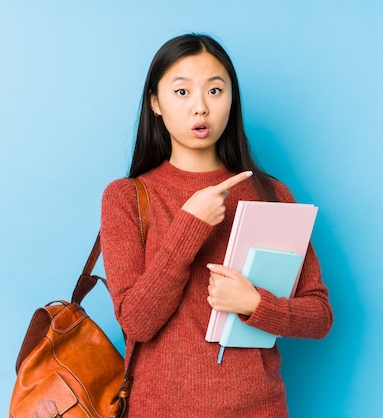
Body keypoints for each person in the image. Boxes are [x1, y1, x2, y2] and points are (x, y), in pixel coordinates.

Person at [100, 33, 333, 417]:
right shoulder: (126, 197)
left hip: (257, 408)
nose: (200, 108)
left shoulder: (271, 193)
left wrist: (256, 303)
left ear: (231, 100)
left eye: (214, 90)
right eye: (181, 92)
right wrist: (190, 226)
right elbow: (137, 322)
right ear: (155, 103)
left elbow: (319, 316)